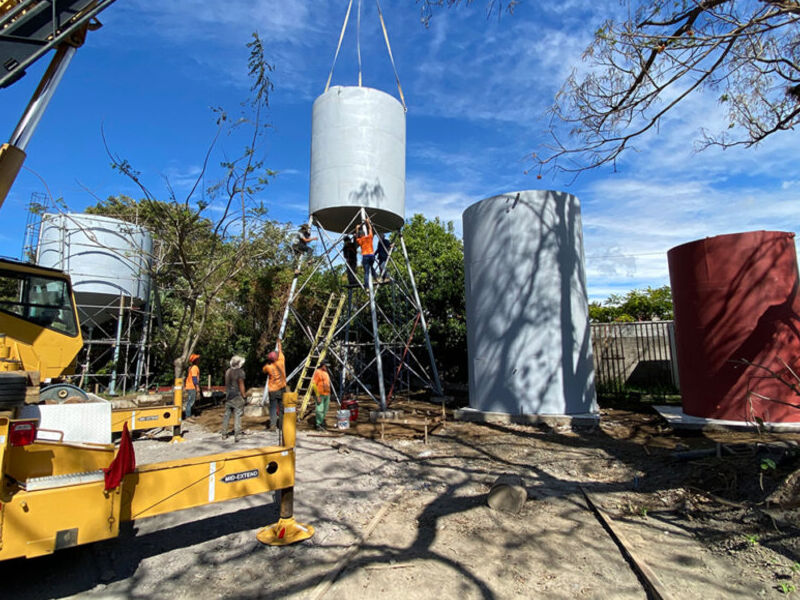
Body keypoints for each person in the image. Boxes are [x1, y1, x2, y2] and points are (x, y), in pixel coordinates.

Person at [261, 339, 286, 431]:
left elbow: (263, 370)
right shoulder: (281, 362)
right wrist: (279, 343)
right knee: (282, 407)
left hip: (272, 390)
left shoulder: (268, 367)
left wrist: (268, 362)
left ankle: (272, 425)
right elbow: (280, 352)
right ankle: (282, 426)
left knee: (272, 408)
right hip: (282, 388)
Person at [222, 355, 246, 442]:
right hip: (237, 396)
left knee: (227, 415)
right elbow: (241, 384)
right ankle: (237, 435)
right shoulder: (240, 372)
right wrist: (244, 396)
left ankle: (224, 433)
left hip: (228, 396)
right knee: (238, 415)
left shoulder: (228, 371)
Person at [311, 361, 331, 431]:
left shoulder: (326, 373)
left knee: (325, 410)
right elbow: (314, 384)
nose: (327, 367)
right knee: (319, 410)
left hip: (327, 394)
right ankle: (318, 424)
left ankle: (322, 422)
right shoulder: (318, 372)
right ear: (322, 365)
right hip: (320, 394)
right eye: (326, 366)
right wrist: (317, 395)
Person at [355, 219, 375, 286]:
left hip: (365, 256)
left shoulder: (360, 240)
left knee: (366, 272)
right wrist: (368, 222)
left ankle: (366, 287)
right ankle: (376, 278)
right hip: (372, 255)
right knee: (371, 267)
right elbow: (370, 229)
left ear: (360, 235)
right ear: (364, 234)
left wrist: (357, 229)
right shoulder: (370, 237)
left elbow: (357, 237)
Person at [183, 353, 201, 418]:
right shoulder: (195, 368)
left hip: (189, 386)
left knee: (191, 401)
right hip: (192, 386)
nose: (199, 360)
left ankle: (191, 414)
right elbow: (194, 378)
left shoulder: (191, 368)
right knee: (191, 401)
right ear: (195, 360)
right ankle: (188, 416)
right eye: (198, 359)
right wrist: (197, 387)